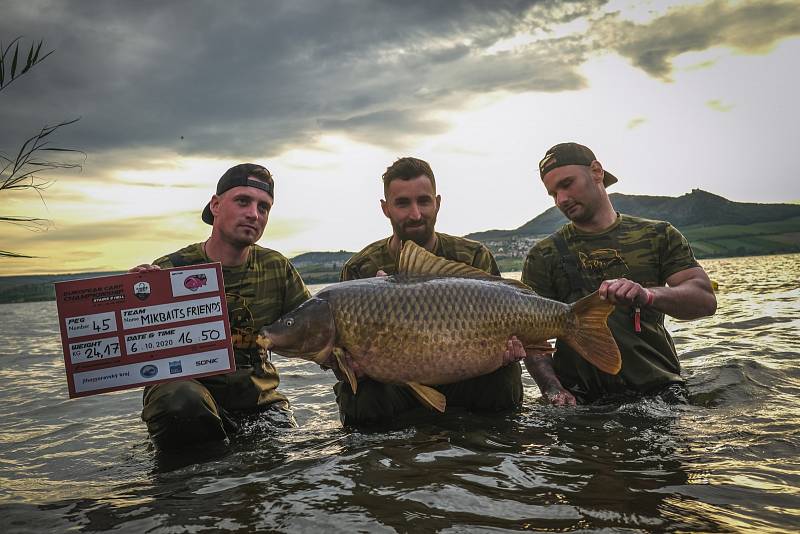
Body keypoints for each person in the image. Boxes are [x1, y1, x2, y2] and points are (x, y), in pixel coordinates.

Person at [333, 156, 525, 426]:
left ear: (438, 202)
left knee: (505, 380)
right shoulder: (361, 269)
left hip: (464, 374)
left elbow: (508, 314)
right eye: (402, 203)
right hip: (394, 384)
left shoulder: (472, 256)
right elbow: (338, 354)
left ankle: (484, 459)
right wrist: (348, 367)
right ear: (385, 208)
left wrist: (506, 353)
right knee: (361, 397)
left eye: (423, 201)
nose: (415, 214)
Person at [130, 163, 310, 450]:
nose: (253, 214)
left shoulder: (276, 268)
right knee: (180, 400)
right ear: (215, 205)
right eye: (242, 201)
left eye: (263, 207)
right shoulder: (170, 270)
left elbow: (316, 329)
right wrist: (132, 301)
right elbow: (140, 352)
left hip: (258, 404)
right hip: (191, 401)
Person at [522, 143, 717, 406]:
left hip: (659, 391)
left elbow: (704, 300)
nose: (561, 199)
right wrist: (553, 390)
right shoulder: (543, 255)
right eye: (553, 194)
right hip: (581, 400)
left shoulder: (658, 235)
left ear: (596, 171)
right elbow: (533, 339)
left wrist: (647, 295)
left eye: (567, 184)